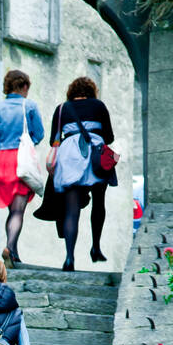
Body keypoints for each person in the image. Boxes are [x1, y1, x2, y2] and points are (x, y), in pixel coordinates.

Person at [48, 75, 117, 271]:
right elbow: (109, 137)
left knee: (72, 210)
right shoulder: (99, 106)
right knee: (99, 203)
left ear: (72, 92)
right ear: (90, 91)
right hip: (96, 155)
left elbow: (53, 140)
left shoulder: (62, 108)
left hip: (70, 156)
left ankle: (69, 258)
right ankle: (96, 247)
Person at [0, 69, 45, 267]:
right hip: (20, 160)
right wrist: (29, 144)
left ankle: (14, 253)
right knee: (18, 212)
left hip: (0, 161)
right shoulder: (30, 106)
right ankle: (10, 247)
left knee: (12, 211)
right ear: (24, 86)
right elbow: (40, 134)